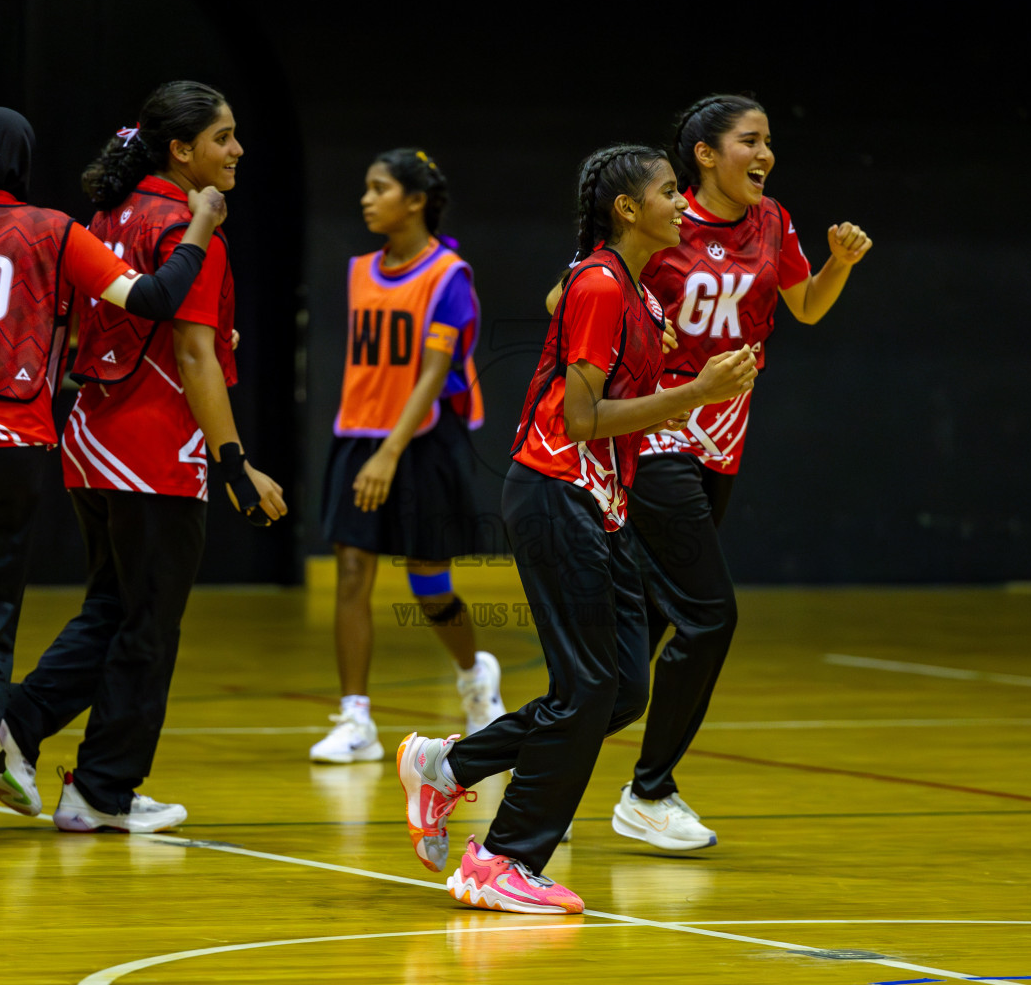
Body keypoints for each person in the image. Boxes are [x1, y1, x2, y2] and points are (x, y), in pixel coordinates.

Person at [0, 106, 227, 844]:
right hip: (18, 448)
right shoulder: (57, 232)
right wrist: (201, 228)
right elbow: (152, 299)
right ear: (27, 162)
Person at [396, 145, 757, 913]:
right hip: (557, 490)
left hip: (601, 504)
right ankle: (500, 858)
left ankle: (449, 766)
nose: (681, 203)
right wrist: (695, 391)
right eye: (668, 191)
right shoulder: (600, 285)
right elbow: (585, 417)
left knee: (621, 688)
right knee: (588, 685)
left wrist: (685, 382)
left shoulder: (635, 294)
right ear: (627, 209)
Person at [551, 93, 873, 850]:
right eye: (750, 142)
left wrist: (839, 265)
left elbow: (808, 308)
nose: (765, 156)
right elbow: (565, 299)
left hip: (722, 437)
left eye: (769, 142)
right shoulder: (658, 222)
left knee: (654, 629)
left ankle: (536, 770)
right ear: (704, 153)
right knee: (711, 613)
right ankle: (649, 791)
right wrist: (641, 328)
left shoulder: (773, 222)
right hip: (657, 435)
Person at [0, 81, 286, 834]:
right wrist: (234, 464)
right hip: (154, 449)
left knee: (115, 611)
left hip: (91, 440)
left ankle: (22, 733)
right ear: (182, 149)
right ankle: (99, 787)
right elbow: (190, 355)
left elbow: (130, 331)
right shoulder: (189, 226)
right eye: (224, 137)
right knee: (148, 625)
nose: (238, 150)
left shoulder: (111, 215)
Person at [312, 148, 501, 763]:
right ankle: (356, 718)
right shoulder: (361, 270)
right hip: (361, 433)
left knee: (429, 584)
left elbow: (431, 373)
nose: (366, 199)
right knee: (351, 570)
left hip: (422, 440)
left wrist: (390, 454)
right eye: (365, 189)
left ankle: (475, 676)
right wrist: (372, 449)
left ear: (415, 200)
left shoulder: (449, 277)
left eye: (379, 188)